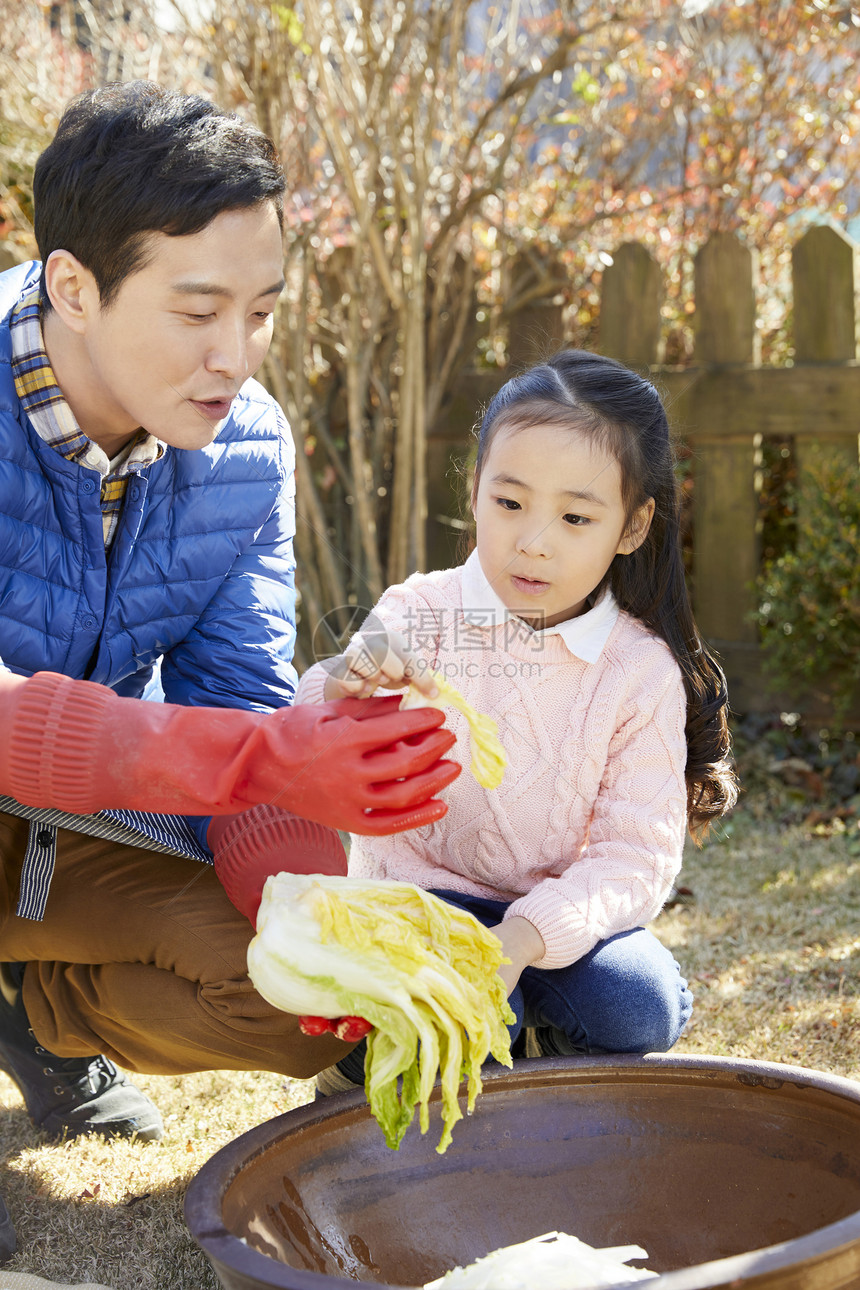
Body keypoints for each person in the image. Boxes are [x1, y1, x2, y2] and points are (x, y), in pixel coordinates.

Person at [0, 81, 460, 1264]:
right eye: (198, 308)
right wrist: (263, 754)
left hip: (72, 823)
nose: (235, 354)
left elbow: (240, 699)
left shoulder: (244, 444)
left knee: (285, 989)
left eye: (261, 310)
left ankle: (42, 1017)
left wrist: (323, 927)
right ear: (72, 287)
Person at [293, 348, 739, 1094]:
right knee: (466, 1030)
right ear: (473, 492)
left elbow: (634, 857)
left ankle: (536, 1031)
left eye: (574, 516)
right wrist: (346, 685)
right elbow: (310, 734)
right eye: (510, 503)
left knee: (641, 1005)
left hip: (547, 920)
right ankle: (370, 1066)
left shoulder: (638, 671)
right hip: (419, 896)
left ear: (631, 527)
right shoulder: (423, 613)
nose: (534, 540)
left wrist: (522, 943)